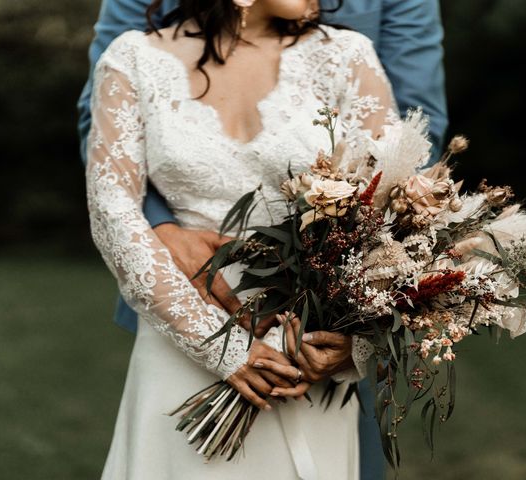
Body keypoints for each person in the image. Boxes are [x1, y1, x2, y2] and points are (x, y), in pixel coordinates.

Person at [79, 1, 447, 478]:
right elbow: (113, 209)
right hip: (180, 325)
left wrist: (352, 339)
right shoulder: (131, 58)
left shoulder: (347, 55)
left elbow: (397, 203)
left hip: (306, 351)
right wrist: (223, 349)